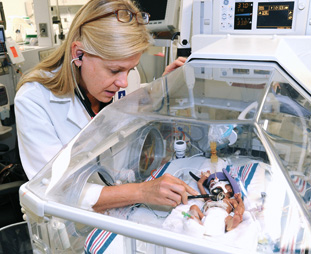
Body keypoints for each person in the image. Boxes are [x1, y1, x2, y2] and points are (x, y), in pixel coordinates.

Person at [14, 0, 196, 213]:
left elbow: (134, 111)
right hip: (72, 226)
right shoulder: (35, 101)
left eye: (130, 69)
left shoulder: (126, 80)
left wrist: (162, 89)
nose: (124, 82)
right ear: (78, 54)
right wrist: (141, 192)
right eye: (114, 70)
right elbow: (54, 190)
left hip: (121, 208)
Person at [186, 169, 245, 236]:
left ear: (230, 189)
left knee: (236, 212)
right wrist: (205, 176)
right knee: (194, 207)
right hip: (206, 217)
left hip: (224, 218)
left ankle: (230, 224)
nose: (212, 182)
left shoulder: (230, 200)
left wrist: (239, 200)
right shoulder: (209, 198)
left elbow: (240, 209)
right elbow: (200, 183)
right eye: (211, 184)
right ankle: (196, 221)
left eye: (217, 182)